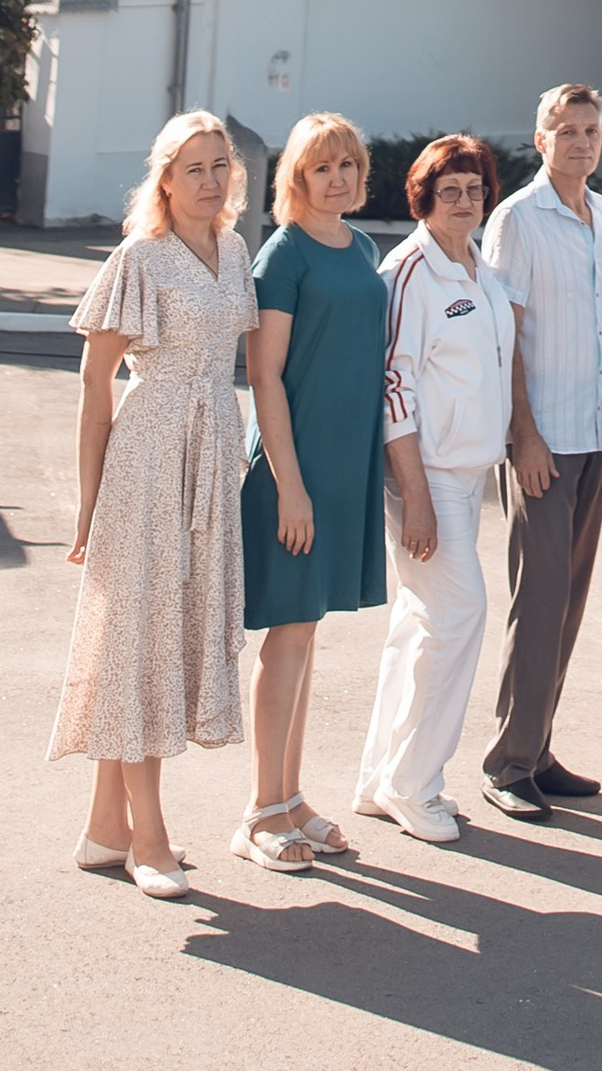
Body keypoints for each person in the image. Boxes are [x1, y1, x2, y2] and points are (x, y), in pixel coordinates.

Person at [50, 109, 258, 900]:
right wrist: (88, 503)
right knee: (142, 642)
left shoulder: (234, 250)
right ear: (164, 178)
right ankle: (148, 837)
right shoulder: (141, 257)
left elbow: (236, 362)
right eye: (193, 168)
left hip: (211, 461)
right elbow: (93, 382)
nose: (208, 182)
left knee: (168, 638)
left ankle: (106, 828)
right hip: (147, 460)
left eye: (219, 167)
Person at [234, 110, 389, 870]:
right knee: (287, 634)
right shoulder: (283, 255)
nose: (337, 179)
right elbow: (265, 375)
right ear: (296, 177)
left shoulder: (361, 247)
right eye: (322, 167)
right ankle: (261, 812)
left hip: (344, 466)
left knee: (308, 633)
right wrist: (290, 488)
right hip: (294, 472)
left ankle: (293, 798)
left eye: (348, 166)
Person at [355, 134, 517, 846]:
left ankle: (379, 778)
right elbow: (395, 382)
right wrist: (413, 495)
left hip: (468, 473)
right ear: (423, 196)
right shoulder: (411, 270)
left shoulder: (479, 268)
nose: (464, 200)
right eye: (449, 189)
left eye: (474, 188)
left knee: (420, 626)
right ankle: (415, 784)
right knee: (460, 617)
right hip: (426, 478)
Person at [478, 79, 602, 818]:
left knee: (565, 605)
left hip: (596, 437)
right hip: (544, 444)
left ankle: (537, 748)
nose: (581, 143)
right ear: (541, 140)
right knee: (536, 603)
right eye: (566, 131)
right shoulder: (516, 220)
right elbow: (503, 336)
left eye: (591, 131)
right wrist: (523, 435)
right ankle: (506, 764)